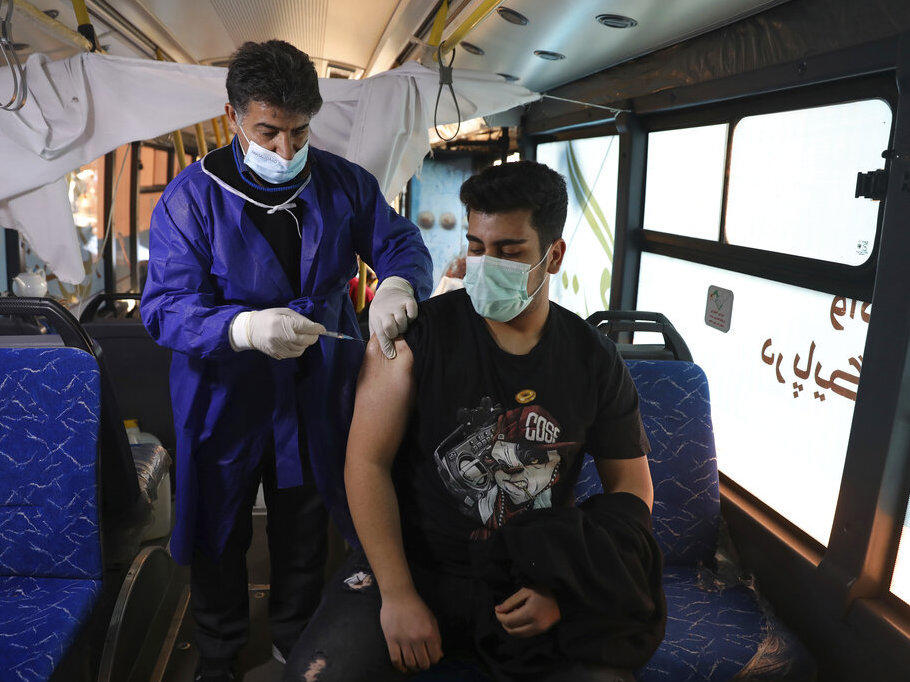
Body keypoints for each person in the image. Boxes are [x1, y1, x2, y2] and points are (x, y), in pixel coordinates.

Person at [283, 161, 665, 682]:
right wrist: (396, 595)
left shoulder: (593, 360)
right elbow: (366, 462)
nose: (486, 265)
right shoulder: (418, 339)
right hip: (418, 566)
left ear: (553, 256)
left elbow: (632, 492)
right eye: (478, 247)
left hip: (529, 574)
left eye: (510, 252)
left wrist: (564, 585)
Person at [141, 40, 432, 682]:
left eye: (298, 132)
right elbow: (163, 308)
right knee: (219, 528)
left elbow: (400, 242)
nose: (283, 150)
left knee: (305, 522)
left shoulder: (341, 183)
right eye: (267, 131)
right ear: (233, 117)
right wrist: (242, 328)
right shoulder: (191, 198)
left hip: (315, 387)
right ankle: (218, 652)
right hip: (224, 390)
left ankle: (293, 645)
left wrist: (397, 283)